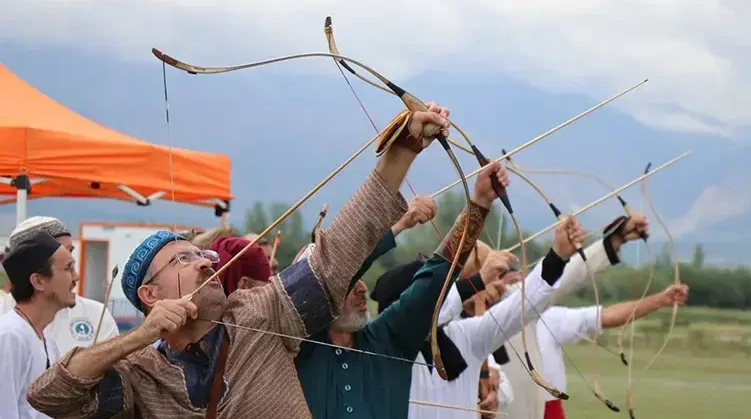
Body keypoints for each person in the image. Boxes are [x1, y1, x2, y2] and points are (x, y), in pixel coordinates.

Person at [26, 102, 452, 419]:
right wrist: (139, 337)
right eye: (182, 260)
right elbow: (49, 396)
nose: (206, 262)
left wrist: (405, 148)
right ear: (150, 294)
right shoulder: (140, 373)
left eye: (202, 253)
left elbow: (334, 254)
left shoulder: (262, 314)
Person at [295, 160, 510, 419]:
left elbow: (435, 278)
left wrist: (479, 202)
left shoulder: (390, 338)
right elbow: (335, 269)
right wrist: (397, 226)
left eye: (358, 279)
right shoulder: (297, 348)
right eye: (350, 281)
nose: (361, 288)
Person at [402, 211, 587, 419]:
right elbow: (427, 312)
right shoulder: (392, 346)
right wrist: (479, 280)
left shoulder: (466, 334)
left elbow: (521, 305)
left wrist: (557, 256)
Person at [501, 213, 652, 419]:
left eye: (513, 280)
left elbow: (567, 275)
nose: (505, 286)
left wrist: (615, 240)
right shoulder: (454, 312)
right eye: (495, 275)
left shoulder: (515, 303)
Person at [537, 283, 689, 419]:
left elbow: (607, 316)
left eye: (519, 279)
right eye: (512, 279)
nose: (517, 283)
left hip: (547, 409)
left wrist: (660, 300)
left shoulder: (547, 318)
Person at [0, 216, 119, 353]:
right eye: (61, 252)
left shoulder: (97, 315)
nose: (74, 273)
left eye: (70, 250)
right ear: (37, 279)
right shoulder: (6, 326)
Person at [0, 234, 75, 418]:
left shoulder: (47, 341)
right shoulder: (9, 336)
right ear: (38, 281)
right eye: (68, 268)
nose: (76, 277)